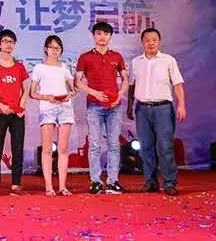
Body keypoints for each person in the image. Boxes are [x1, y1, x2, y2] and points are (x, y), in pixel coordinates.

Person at [127, 28, 186, 196]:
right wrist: (129, 106)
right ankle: (150, 182)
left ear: (159, 42)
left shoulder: (168, 60)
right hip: (142, 109)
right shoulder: (136, 62)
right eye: (147, 40)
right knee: (145, 147)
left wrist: (181, 105)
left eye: (154, 40)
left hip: (163, 109)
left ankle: (169, 182)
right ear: (142, 42)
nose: (151, 43)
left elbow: (178, 84)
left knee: (165, 146)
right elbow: (131, 86)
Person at [75, 21, 129, 194]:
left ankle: (113, 181)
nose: (102, 37)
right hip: (94, 106)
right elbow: (77, 82)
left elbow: (126, 79)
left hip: (114, 106)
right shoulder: (85, 57)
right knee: (94, 144)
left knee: (114, 144)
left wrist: (120, 95)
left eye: (106, 34)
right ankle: (96, 181)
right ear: (94, 35)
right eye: (99, 33)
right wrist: (95, 93)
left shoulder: (117, 57)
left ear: (110, 36)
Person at [30, 35, 77, 196]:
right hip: (47, 108)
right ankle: (49, 186)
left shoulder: (64, 67)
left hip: (64, 107)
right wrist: (46, 97)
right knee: (47, 149)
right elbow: (32, 93)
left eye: (57, 48)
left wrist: (71, 93)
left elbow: (73, 88)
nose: (54, 50)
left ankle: (62, 186)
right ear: (46, 49)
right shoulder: (39, 68)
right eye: (51, 47)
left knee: (63, 149)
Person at [0, 29, 29, 196]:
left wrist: (21, 108)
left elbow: (26, 89)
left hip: (17, 114)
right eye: (5, 41)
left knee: (18, 149)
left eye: (11, 41)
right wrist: (0, 105)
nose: (8, 44)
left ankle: (16, 184)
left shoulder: (19, 67)